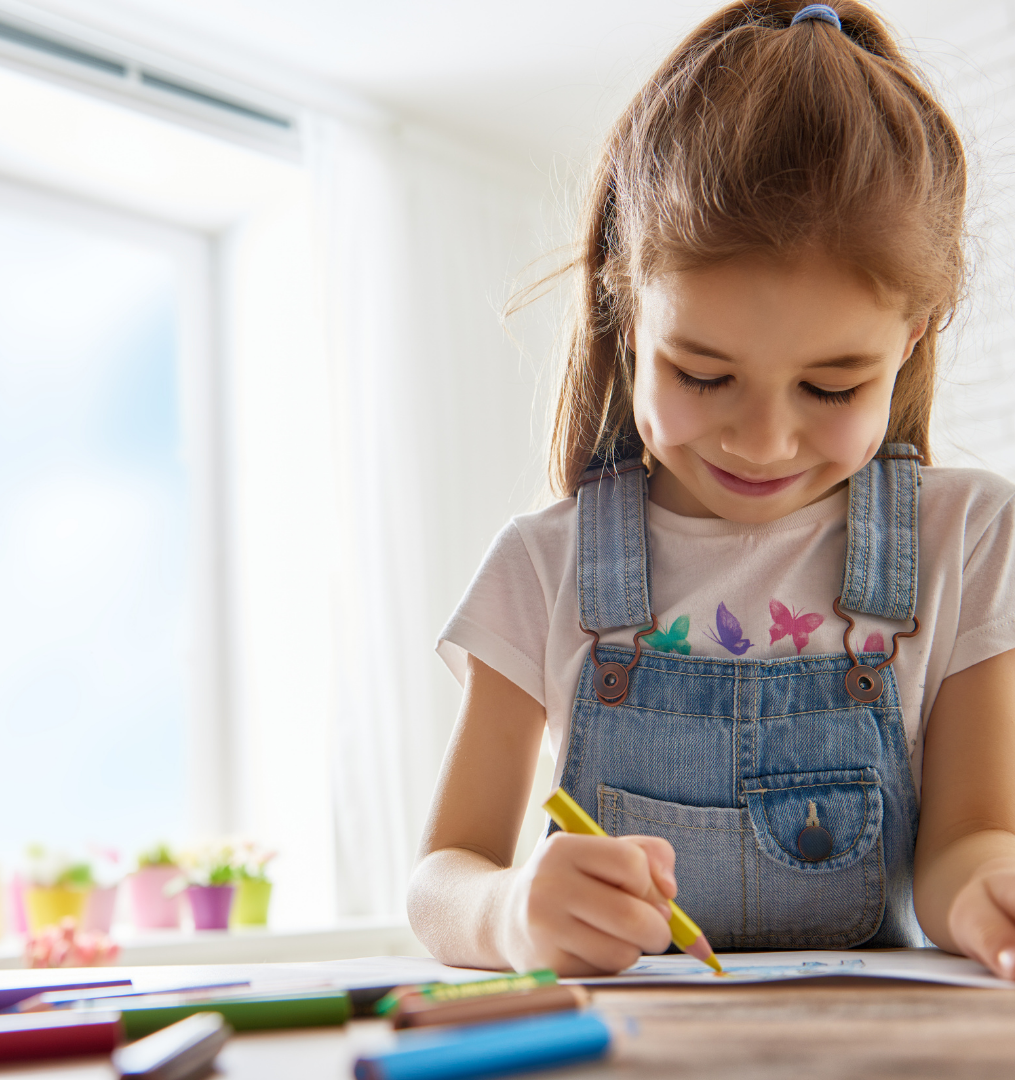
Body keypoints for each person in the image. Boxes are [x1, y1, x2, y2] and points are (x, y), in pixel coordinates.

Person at [407, 0, 1015, 979]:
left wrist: (990, 892)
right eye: (701, 373)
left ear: (910, 343)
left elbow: (965, 845)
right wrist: (511, 911)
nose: (765, 440)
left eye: (832, 385)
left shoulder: (970, 539)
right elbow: (443, 875)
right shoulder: (543, 565)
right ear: (625, 307)